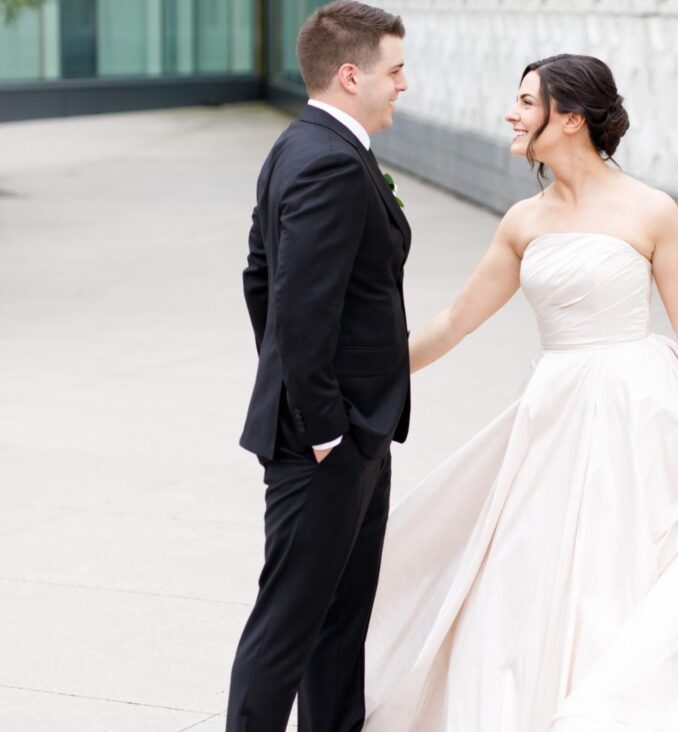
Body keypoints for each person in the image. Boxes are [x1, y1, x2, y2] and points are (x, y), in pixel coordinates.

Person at [362, 54, 678, 731]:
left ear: (570, 119)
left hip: (638, 413)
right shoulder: (522, 221)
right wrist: (357, 375)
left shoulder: (651, 211)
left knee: (620, 570)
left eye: (527, 101)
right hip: (554, 413)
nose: (512, 112)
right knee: (528, 572)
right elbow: (453, 323)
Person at [226, 3, 411, 730]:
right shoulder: (329, 160)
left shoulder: (300, 145)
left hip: (354, 432)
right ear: (349, 74)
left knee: (338, 624)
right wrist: (323, 423)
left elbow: (258, 278)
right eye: (394, 70)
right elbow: (296, 308)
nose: (403, 84)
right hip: (328, 441)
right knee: (288, 627)